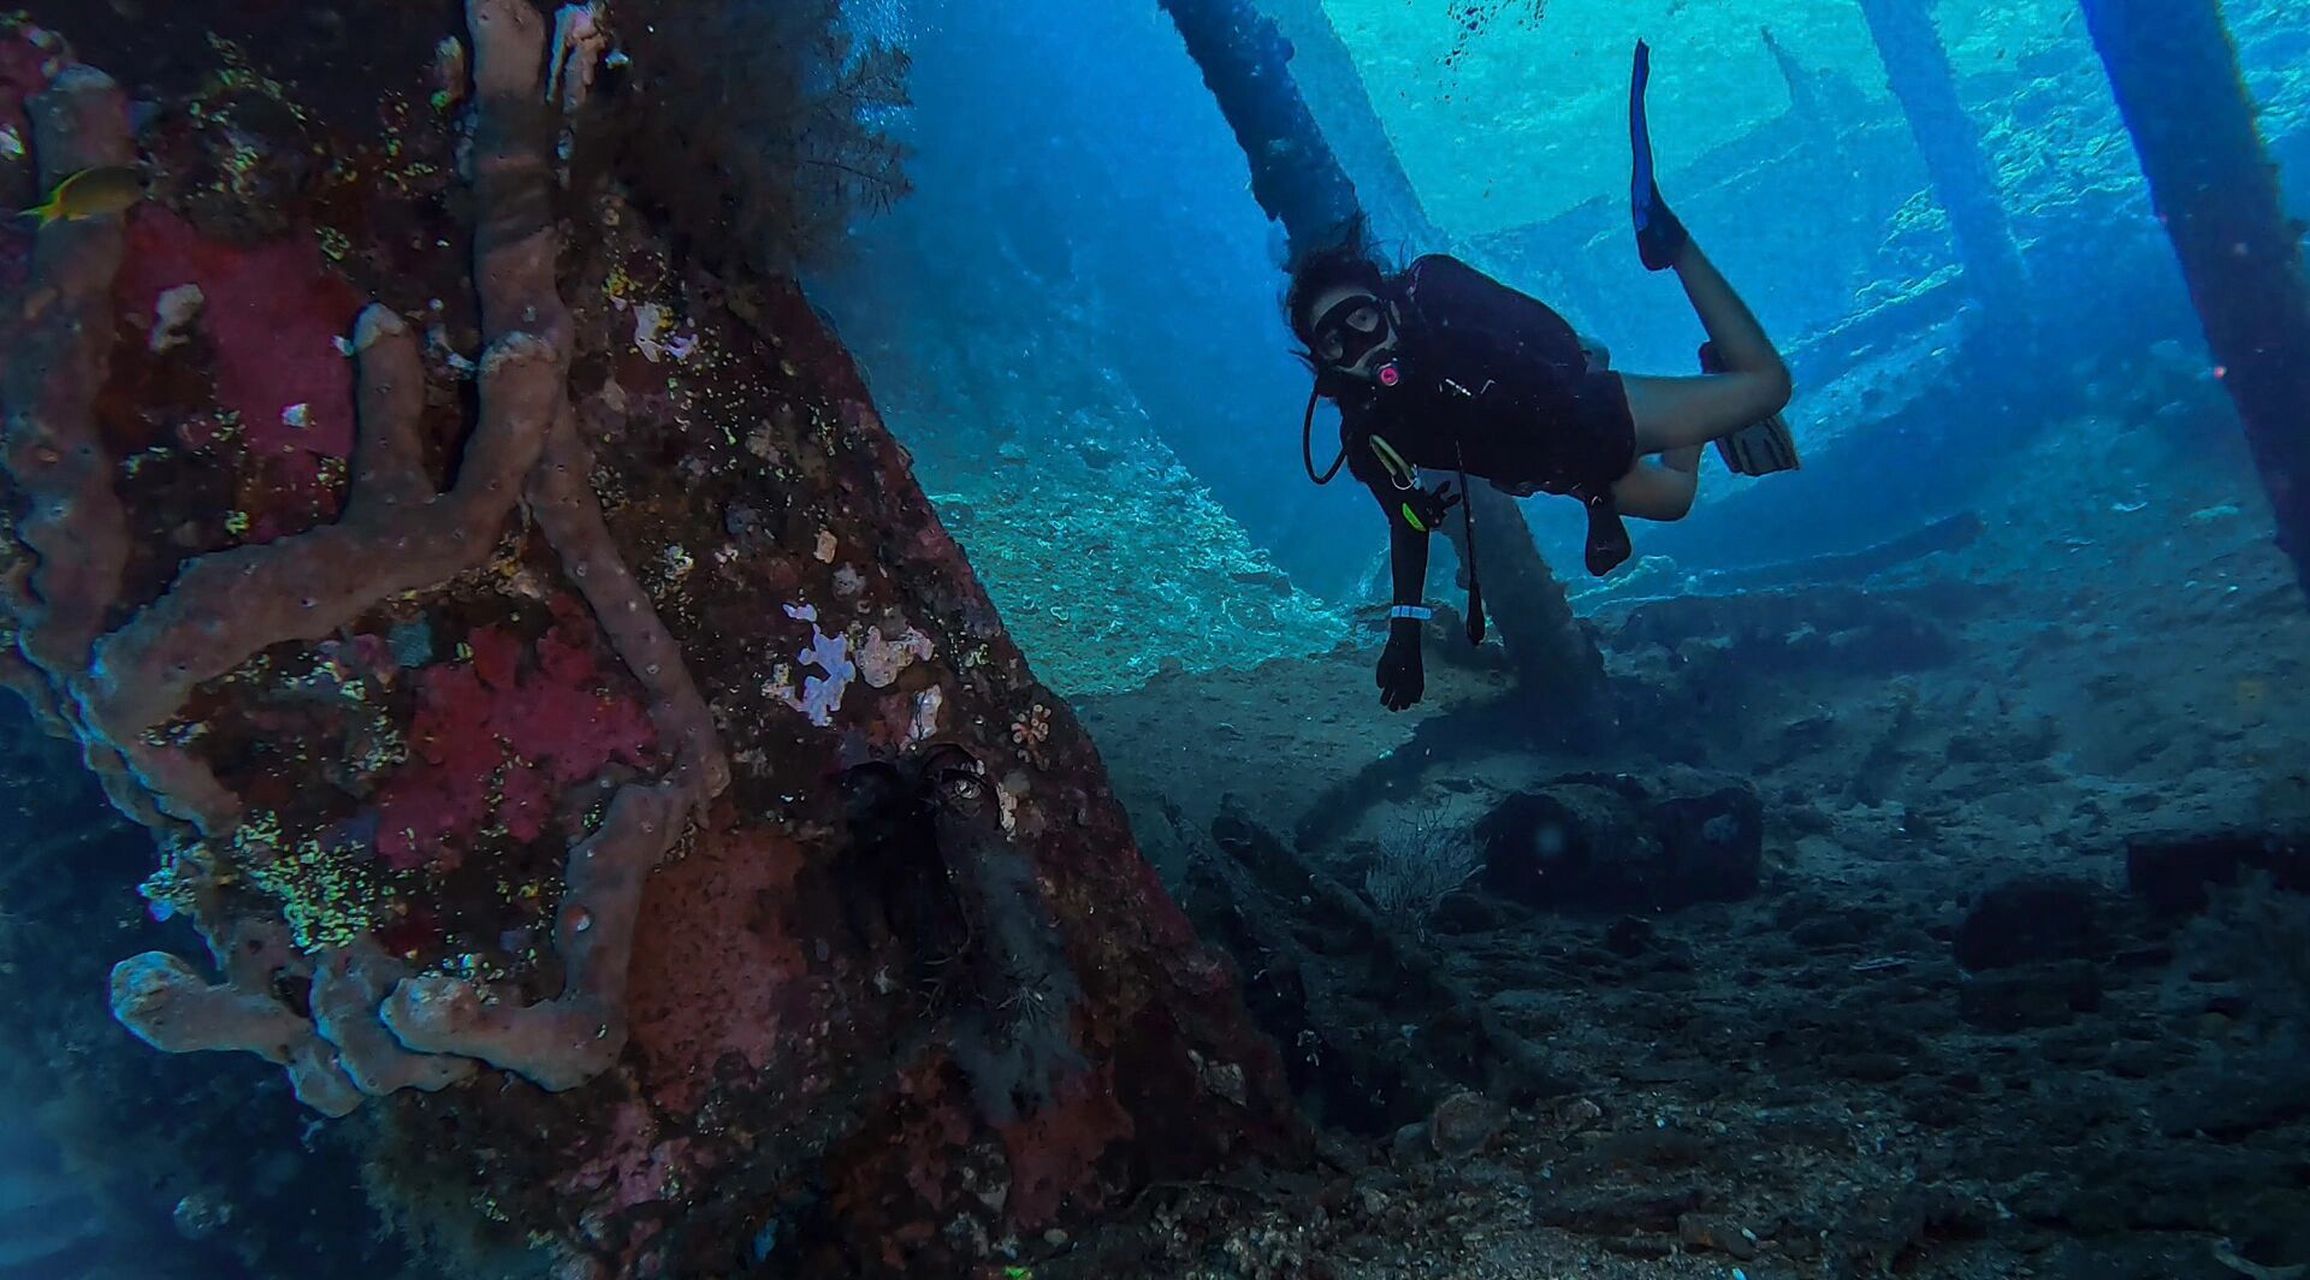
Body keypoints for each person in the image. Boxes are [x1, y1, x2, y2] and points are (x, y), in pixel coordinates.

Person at [1285, 41, 1798, 712]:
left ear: (1385, 305)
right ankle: (1706, 383)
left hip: (1594, 416)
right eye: (1335, 339)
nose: (1359, 344)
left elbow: (1532, 325)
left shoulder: (1435, 297)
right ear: (1324, 362)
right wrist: (1403, 634)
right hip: (1568, 472)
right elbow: (1406, 521)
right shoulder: (1370, 437)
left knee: (1770, 388)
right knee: (1675, 500)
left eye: (1360, 319)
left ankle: (1671, 244)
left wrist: (1578, 365)